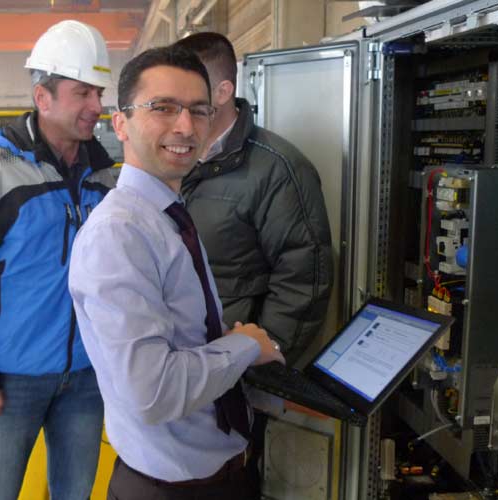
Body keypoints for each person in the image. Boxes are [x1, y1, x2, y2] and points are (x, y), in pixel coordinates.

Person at [68, 45, 285, 500]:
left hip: (214, 467)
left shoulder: (165, 213)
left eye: (199, 110)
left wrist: (231, 340)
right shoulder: (120, 234)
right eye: (163, 108)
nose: (185, 127)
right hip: (172, 488)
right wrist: (243, 346)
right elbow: (154, 392)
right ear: (120, 123)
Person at [0, 20, 116, 500]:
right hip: (11, 379)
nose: (97, 106)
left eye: (99, 92)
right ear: (43, 97)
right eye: (83, 93)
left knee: (75, 494)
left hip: (88, 380)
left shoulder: (106, 178)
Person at [174, 32, 333, 364]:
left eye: (188, 92)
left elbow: (302, 280)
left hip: (234, 366)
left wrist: (261, 360)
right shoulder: (176, 158)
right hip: (182, 363)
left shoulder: (279, 169)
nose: (178, 108)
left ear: (222, 91)